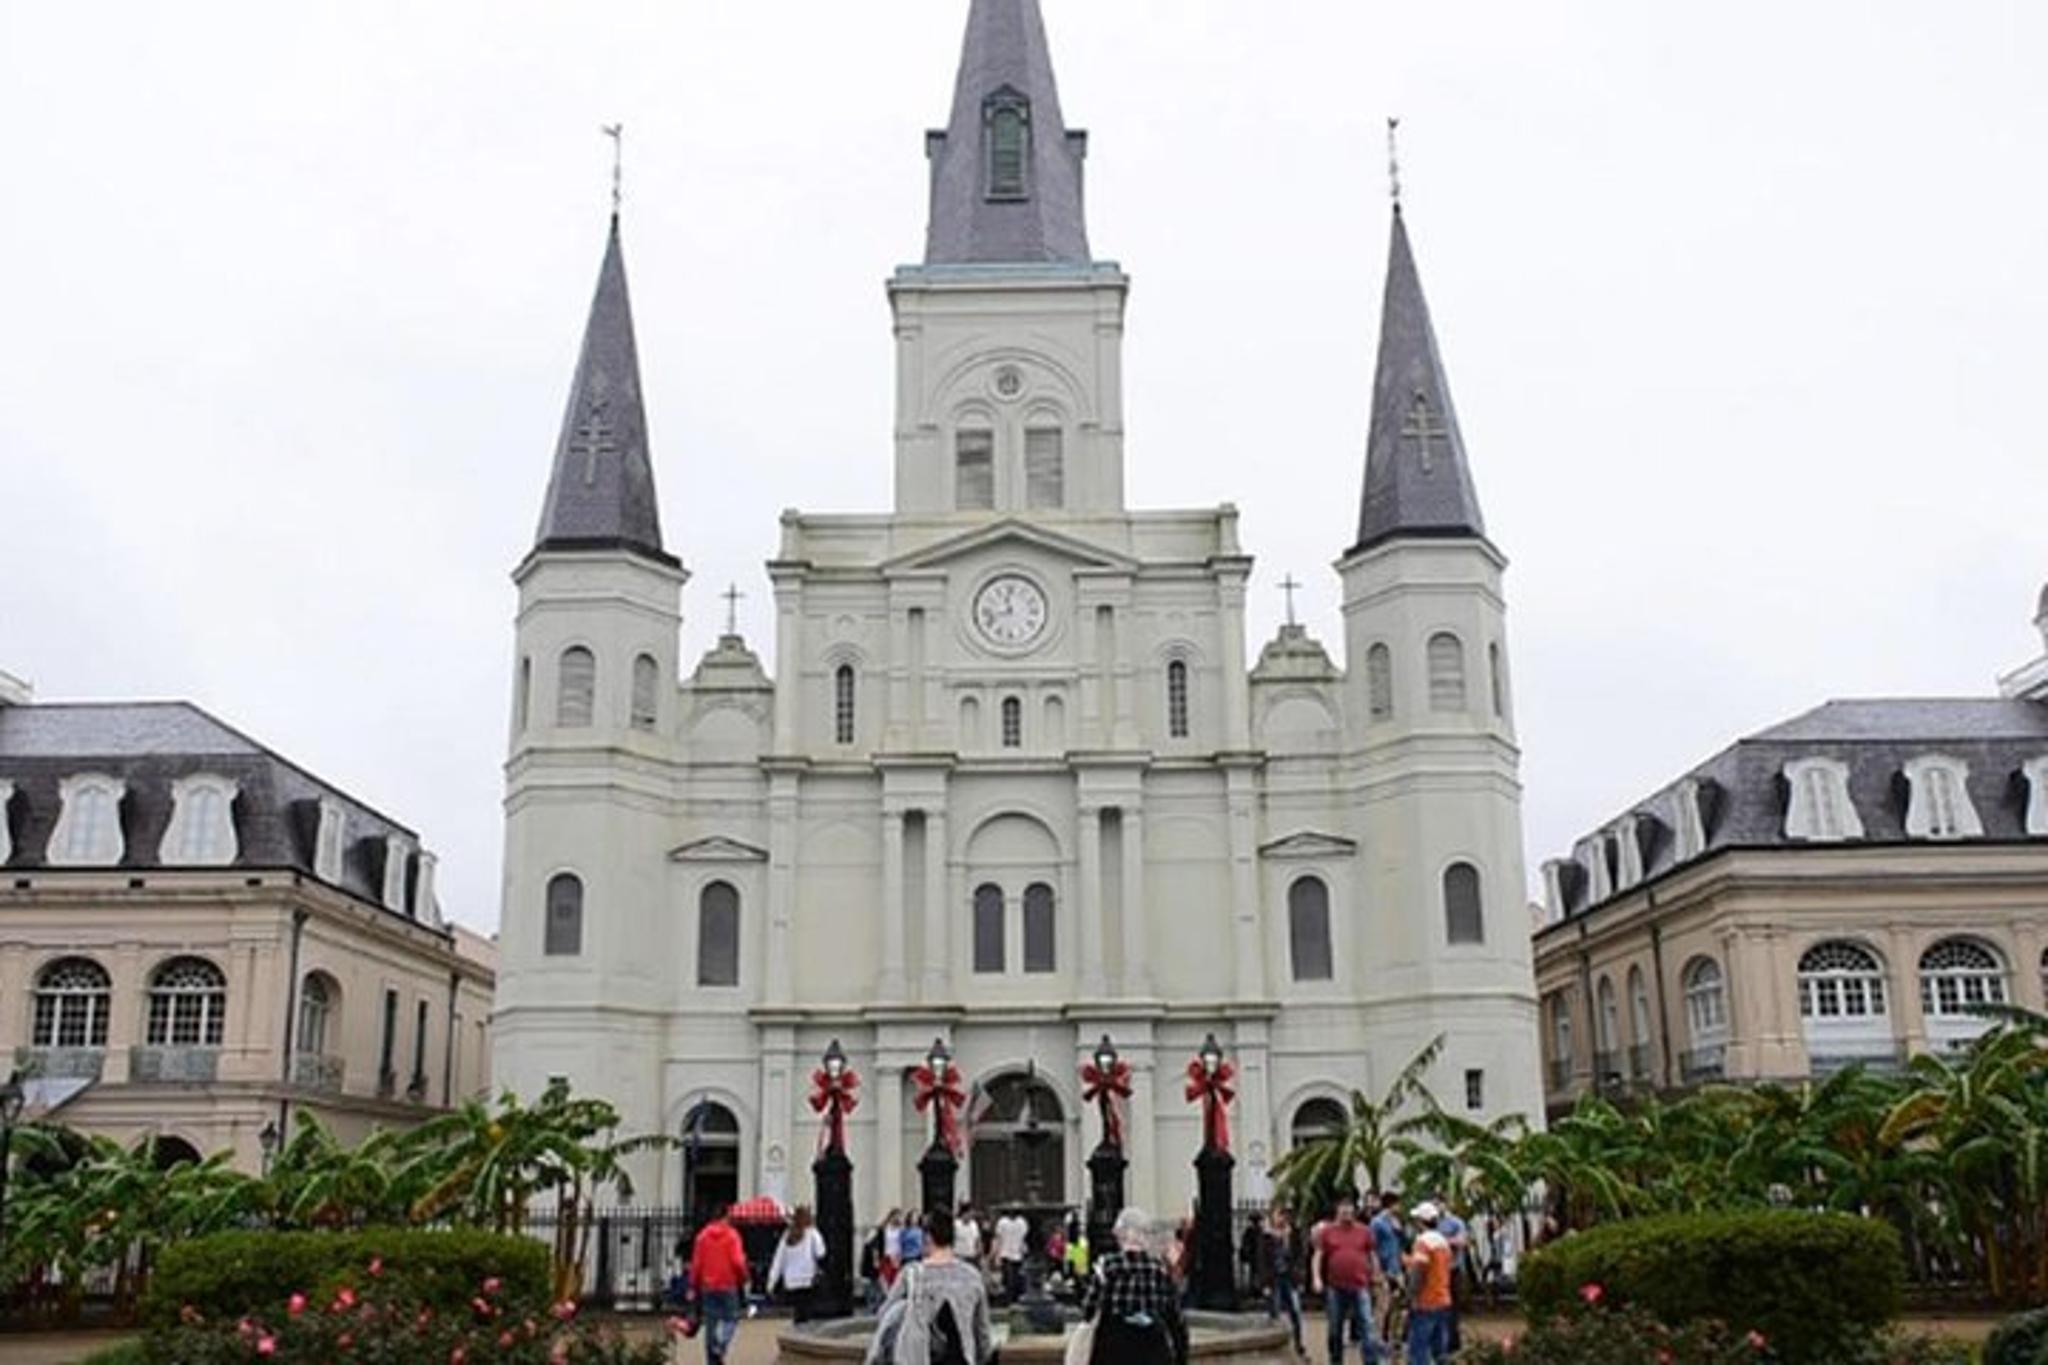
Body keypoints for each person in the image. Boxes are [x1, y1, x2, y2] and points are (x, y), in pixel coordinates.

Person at [868, 1206, 994, 1365]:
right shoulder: (972, 1276)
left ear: (927, 1237)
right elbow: (982, 1333)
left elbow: (886, 1316)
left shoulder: (910, 1275)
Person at [1082, 1207, 1189, 1365]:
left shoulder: (1108, 1265)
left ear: (1121, 1235)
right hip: (1152, 1348)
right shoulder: (1158, 1269)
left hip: (1115, 1347)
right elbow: (1174, 1316)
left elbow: (1089, 1308)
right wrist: (1181, 1354)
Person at [1311, 1194, 1383, 1364]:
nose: (1346, 1214)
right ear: (1337, 1212)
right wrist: (1316, 1278)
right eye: (1343, 1210)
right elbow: (1318, 1255)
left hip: (1360, 1284)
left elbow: (1372, 1255)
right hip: (1335, 1286)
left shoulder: (1364, 1231)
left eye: (1349, 1210)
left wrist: (1376, 1274)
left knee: (1367, 1325)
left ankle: (1371, 1361)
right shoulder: (1328, 1231)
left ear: (1354, 1212)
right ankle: (1336, 1360)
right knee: (1335, 1328)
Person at [688, 1204, 751, 1365]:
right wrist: (744, 1277)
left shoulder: (702, 1237)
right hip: (728, 1283)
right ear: (726, 1216)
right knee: (732, 1318)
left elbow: (696, 1264)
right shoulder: (732, 1235)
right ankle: (721, 1345)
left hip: (708, 1285)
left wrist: (692, 1285)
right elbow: (737, 1261)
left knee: (711, 1322)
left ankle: (712, 1359)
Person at [1402, 1203, 1455, 1365]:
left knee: (1419, 1349)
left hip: (1425, 1301)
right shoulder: (1443, 1243)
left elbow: (1419, 1272)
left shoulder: (1423, 1243)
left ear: (1421, 1221)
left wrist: (1410, 1297)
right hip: (1443, 1299)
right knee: (1440, 1349)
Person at [769, 1205, 828, 1324]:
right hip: (807, 1280)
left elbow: (779, 1260)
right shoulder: (812, 1234)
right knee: (806, 1313)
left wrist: (771, 1282)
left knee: (795, 1313)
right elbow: (821, 1252)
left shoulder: (787, 1236)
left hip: (791, 1282)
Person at [1266, 1206, 1306, 1358]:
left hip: (1290, 1278)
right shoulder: (1267, 1236)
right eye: (1278, 1215)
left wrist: (1300, 1277)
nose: (1281, 1219)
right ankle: (1276, 1348)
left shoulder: (1292, 1233)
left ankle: (1298, 1345)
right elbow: (1262, 1259)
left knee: (1296, 1311)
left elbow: (1299, 1255)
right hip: (1274, 1278)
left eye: (1283, 1216)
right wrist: (1264, 1283)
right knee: (1275, 1313)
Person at [1432, 1200, 1469, 1352]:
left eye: (1439, 1202)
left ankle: (1452, 1342)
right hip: (1435, 1271)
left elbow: (1462, 1241)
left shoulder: (1455, 1222)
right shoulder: (1430, 1223)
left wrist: (1442, 1241)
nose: (1437, 1206)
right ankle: (1439, 1342)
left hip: (1452, 1269)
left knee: (1453, 1307)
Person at [1367, 1195, 1405, 1332]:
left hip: (1396, 1267)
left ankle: (1391, 1336)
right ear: (1392, 1205)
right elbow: (1371, 1246)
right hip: (1382, 1268)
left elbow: (1401, 1244)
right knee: (1383, 1305)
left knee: (1397, 1305)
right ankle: (1377, 1336)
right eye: (1398, 1205)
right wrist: (1376, 1270)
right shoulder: (1377, 1223)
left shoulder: (1397, 1222)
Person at [993, 1207, 1029, 1303]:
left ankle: (1013, 1298)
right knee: (1009, 1278)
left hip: (1016, 1254)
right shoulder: (1003, 1222)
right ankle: (1009, 1299)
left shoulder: (1021, 1223)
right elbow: (998, 1239)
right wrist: (997, 1255)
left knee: (1015, 1278)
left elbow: (1023, 1239)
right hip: (1006, 1254)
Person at [1239, 1211, 1267, 1299]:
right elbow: (1246, 1244)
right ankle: (1254, 1290)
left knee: (1257, 1273)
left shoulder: (1259, 1231)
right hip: (1254, 1255)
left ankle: (1257, 1290)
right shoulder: (1251, 1231)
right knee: (1254, 1273)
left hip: (1258, 1255)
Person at [956, 1203, 983, 1270]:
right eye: (970, 1213)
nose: (971, 1215)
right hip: (959, 1256)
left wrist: (979, 1250)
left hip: (971, 1257)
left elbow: (977, 1239)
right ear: (964, 1213)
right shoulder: (956, 1225)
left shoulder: (974, 1224)